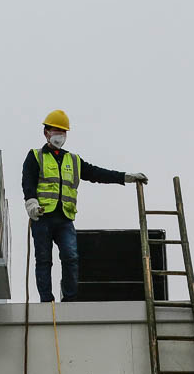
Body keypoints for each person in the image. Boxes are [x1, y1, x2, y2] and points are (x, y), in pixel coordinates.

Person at [21, 110, 148, 302]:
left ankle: (70, 299)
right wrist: (31, 203)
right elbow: (28, 182)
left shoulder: (73, 160)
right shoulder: (35, 156)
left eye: (63, 131)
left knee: (71, 257)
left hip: (64, 219)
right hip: (43, 218)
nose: (60, 135)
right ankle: (46, 300)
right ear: (46, 132)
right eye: (56, 130)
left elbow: (97, 173)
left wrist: (125, 177)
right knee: (44, 260)